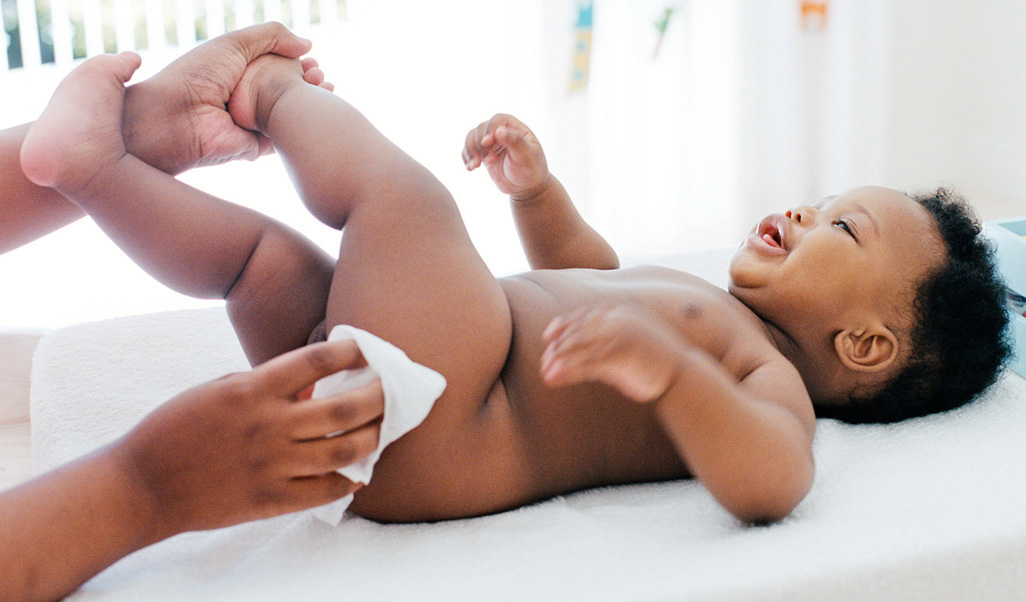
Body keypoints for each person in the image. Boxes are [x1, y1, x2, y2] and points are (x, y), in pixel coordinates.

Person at [19, 51, 1011, 531]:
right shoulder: (710, 298)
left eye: (842, 224)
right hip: (408, 401)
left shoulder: (769, 377)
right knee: (263, 265)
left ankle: (275, 95)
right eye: (826, 197)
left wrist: (667, 370)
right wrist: (539, 194)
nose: (805, 208)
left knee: (406, 202)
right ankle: (88, 170)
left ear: (868, 347)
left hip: (452, 414)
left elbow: (772, 478)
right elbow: (585, 261)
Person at [1, 26, 384, 602]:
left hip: (444, 418)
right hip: (467, 398)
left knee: (265, 261)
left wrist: (146, 127)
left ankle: (95, 164)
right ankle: (99, 161)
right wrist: (145, 486)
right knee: (375, 208)